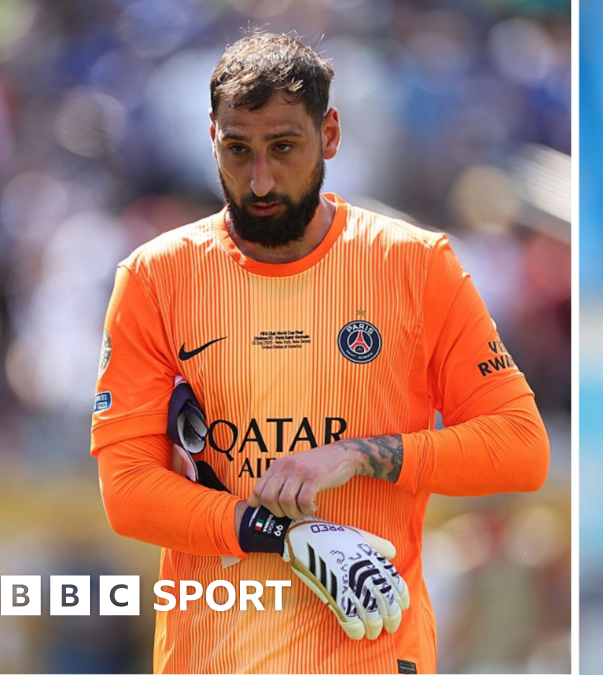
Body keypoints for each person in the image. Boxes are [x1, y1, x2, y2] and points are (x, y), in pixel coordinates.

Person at [90, 30, 550, 675]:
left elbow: (521, 450)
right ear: (211, 138)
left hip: (374, 654)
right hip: (213, 658)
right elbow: (129, 491)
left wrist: (359, 455)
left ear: (329, 135)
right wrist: (285, 534)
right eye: (237, 149)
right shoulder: (155, 277)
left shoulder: (416, 266)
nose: (259, 179)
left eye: (284, 147)